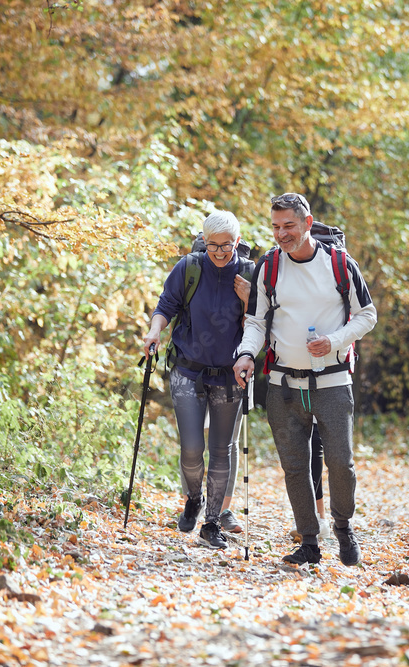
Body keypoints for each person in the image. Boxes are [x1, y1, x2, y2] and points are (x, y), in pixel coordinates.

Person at [233, 193, 377, 566]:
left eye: (289, 226)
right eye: (276, 227)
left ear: (308, 224)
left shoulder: (340, 264)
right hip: (283, 384)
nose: (281, 234)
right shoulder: (269, 267)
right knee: (295, 467)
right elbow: (256, 322)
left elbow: (367, 315)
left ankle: (343, 528)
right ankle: (309, 542)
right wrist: (247, 353)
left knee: (341, 464)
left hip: (332, 381)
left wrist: (334, 340)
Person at [143, 211, 252, 550]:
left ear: (238, 241)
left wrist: (249, 298)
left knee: (222, 449)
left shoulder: (250, 273)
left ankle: (212, 523)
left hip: (229, 375)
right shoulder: (189, 267)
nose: (220, 253)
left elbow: (263, 322)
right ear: (204, 242)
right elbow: (166, 305)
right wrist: (154, 331)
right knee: (192, 448)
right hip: (187, 371)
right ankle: (193, 497)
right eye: (213, 246)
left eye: (227, 246)